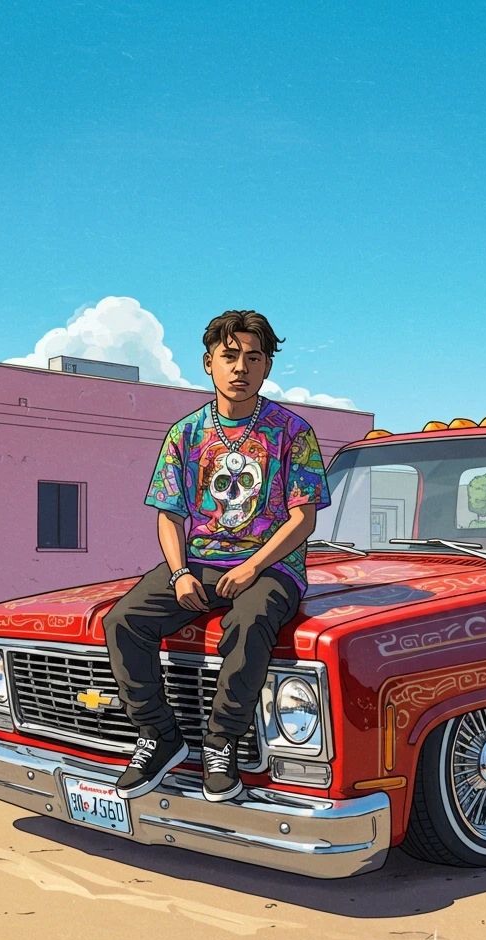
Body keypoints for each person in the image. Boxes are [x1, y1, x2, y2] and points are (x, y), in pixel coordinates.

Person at [104, 309, 329, 802]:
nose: (241, 367)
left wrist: (252, 567)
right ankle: (160, 737)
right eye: (230, 356)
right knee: (123, 619)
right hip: (201, 559)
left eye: (253, 357)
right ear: (209, 364)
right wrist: (181, 573)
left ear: (267, 367)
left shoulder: (293, 433)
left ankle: (221, 743)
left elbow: (303, 519)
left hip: (271, 566)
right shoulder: (185, 434)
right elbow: (169, 515)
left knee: (248, 624)